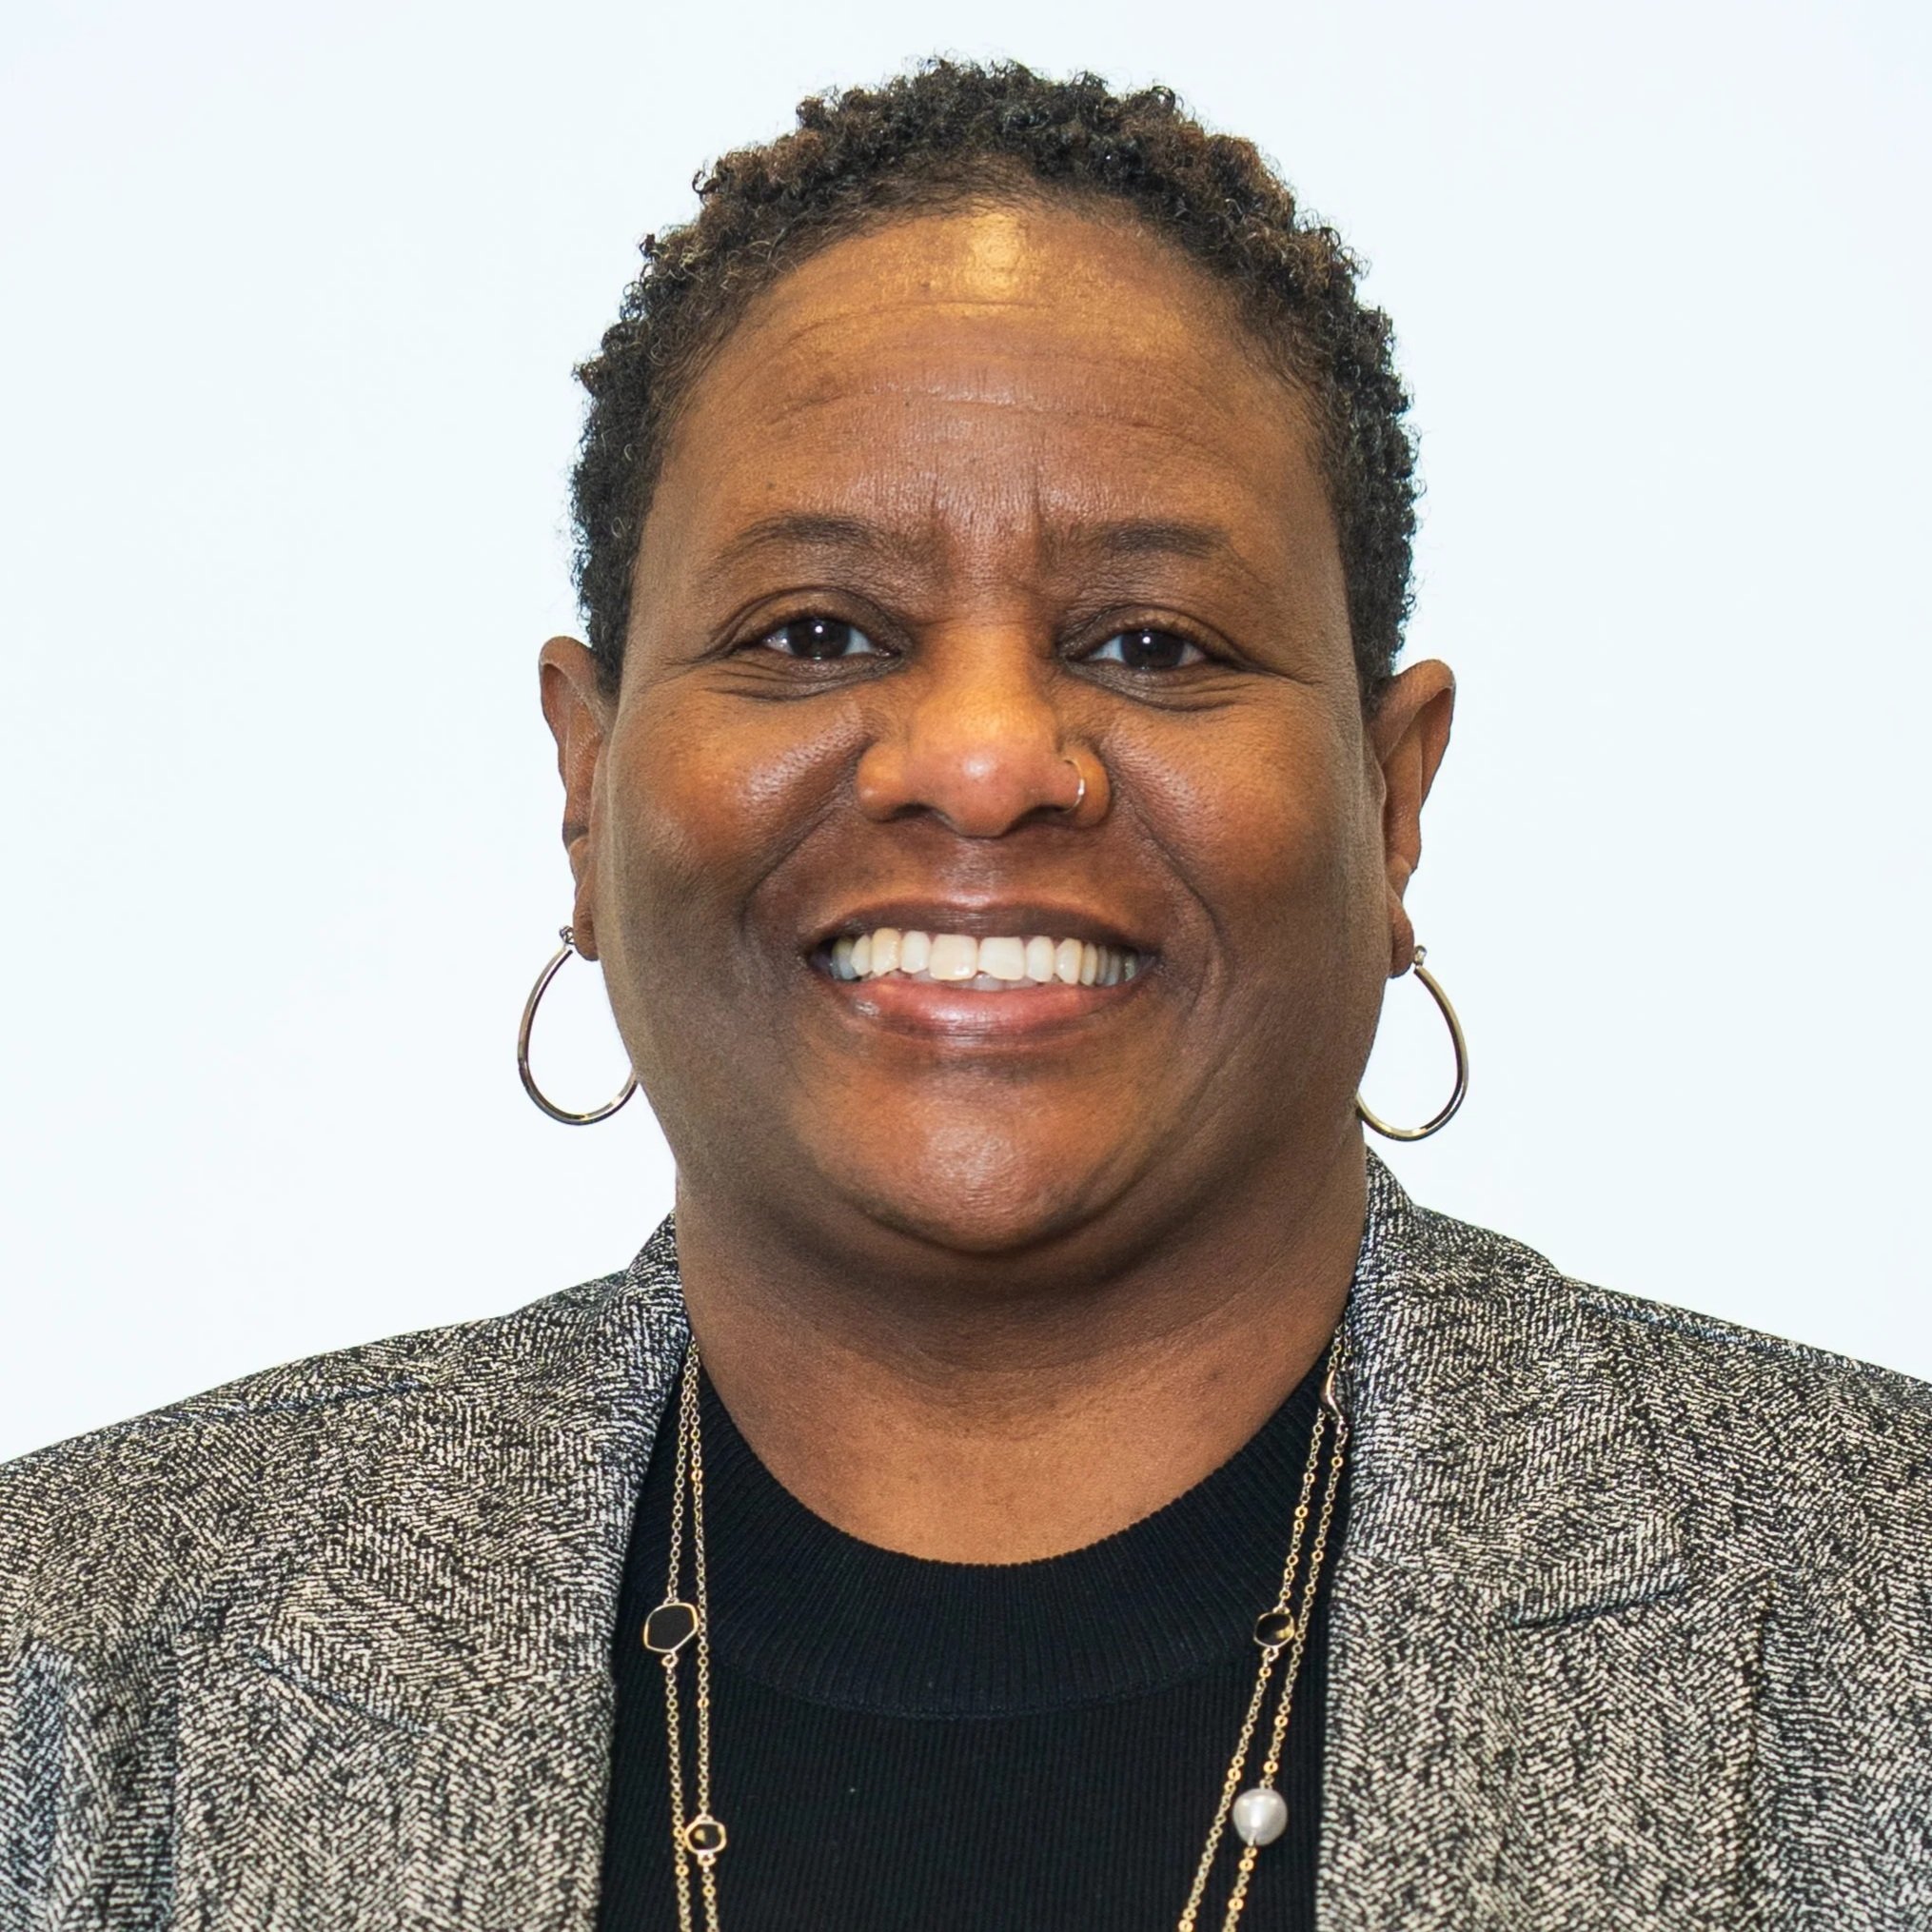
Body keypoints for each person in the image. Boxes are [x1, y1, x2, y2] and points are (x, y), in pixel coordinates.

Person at [2, 59, 1927, 1932]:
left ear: (1391, 794)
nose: (990, 758)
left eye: (1154, 643)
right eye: (815, 631)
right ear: (584, 784)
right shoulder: (66, 1677)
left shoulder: (1880, 1627)